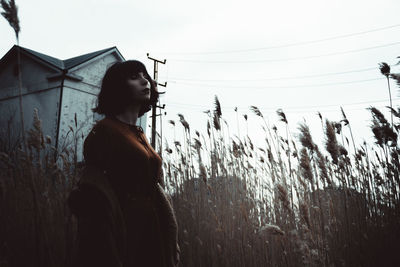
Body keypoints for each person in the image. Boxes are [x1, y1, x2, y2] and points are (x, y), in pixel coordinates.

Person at [67, 60, 180, 267]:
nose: (145, 81)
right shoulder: (105, 131)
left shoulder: (139, 134)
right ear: (118, 86)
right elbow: (93, 188)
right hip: (125, 228)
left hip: (151, 228)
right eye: (134, 77)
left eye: (145, 76)